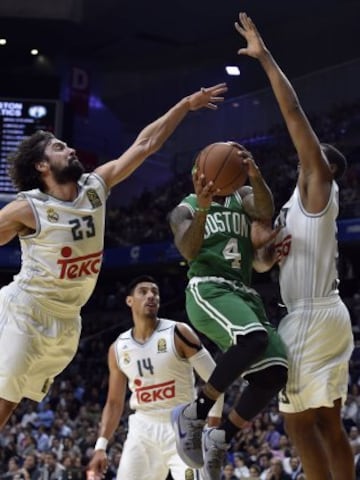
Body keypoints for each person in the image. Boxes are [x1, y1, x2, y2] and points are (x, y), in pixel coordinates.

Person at [0, 82, 227, 431]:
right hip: (27, 309)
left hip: (67, 322)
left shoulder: (95, 187)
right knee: (3, 399)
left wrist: (185, 104)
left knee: (11, 402)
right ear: (42, 166)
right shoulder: (28, 208)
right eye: (60, 148)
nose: (71, 149)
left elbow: (146, 145)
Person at [234, 11, 354, 480]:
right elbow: (265, 265)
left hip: (310, 314)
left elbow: (294, 113)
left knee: (297, 421)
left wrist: (265, 59)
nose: (308, 150)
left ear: (325, 166)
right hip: (324, 312)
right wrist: (264, 253)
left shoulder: (319, 187)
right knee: (327, 420)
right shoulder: (295, 205)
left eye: (316, 151)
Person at [169, 146, 288, 477]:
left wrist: (255, 175)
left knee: (275, 373)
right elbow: (189, 250)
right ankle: (195, 412)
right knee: (253, 339)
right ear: (198, 175)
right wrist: (204, 210)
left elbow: (265, 208)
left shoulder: (243, 195)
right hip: (208, 286)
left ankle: (219, 439)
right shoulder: (185, 209)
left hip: (243, 291)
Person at [89, 275, 224, 480]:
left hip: (182, 426)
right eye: (143, 291)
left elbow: (217, 380)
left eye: (155, 292)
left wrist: (211, 427)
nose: (151, 295)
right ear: (129, 301)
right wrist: (101, 446)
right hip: (142, 430)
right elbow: (114, 403)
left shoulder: (178, 332)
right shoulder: (118, 348)